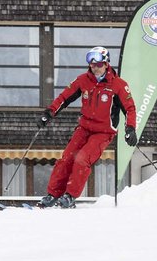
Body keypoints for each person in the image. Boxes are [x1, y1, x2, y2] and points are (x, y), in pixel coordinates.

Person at [37, 46, 137, 208]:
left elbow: (130, 108)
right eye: (92, 64)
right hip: (84, 128)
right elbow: (64, 97)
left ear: (106, 63)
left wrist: (130, 128)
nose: (94, 68)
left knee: (82, 159)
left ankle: (69, 196)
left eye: (98, 64)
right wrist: (49, 112)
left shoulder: (118, 85)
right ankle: (53, 195)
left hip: (103, 132)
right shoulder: (83, 80)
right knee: (66, 159)